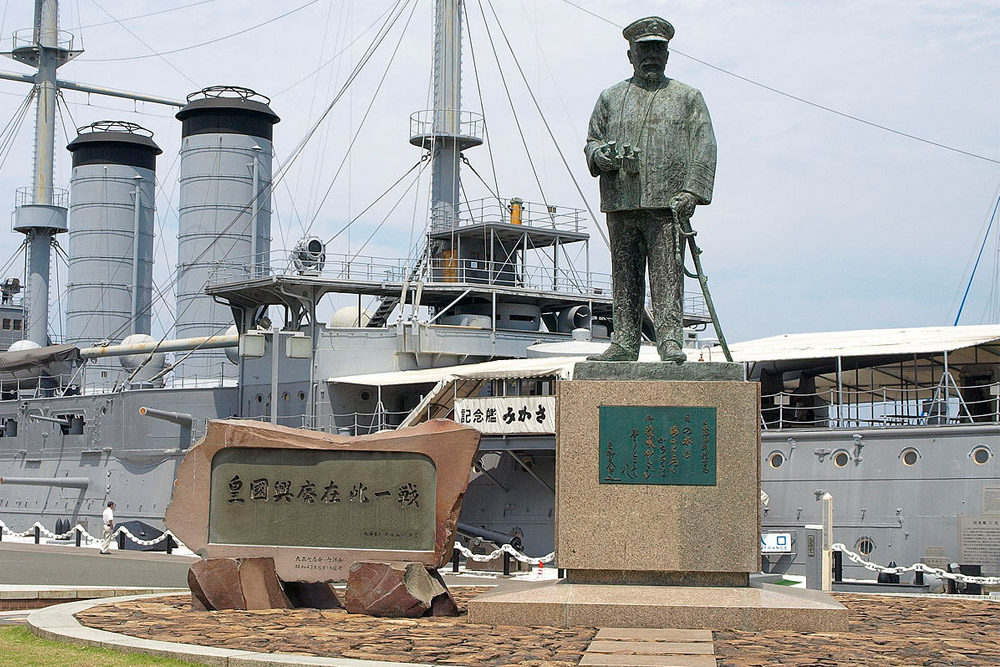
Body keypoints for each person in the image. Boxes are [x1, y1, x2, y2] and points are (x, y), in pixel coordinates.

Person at [584, 16, 717, 363]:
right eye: (644, 50)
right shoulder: (610, 98)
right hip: (621, 201)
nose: (651, 56)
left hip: (667, 204)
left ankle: (670, 340)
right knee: (624, 277)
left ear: (668, 54)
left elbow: (705, 146)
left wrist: (692, 192)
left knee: (667, 274)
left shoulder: (688, 97)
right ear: (630, 54)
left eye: (658, 49)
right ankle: (625, 340)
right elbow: (591, 144)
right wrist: (604, 156)